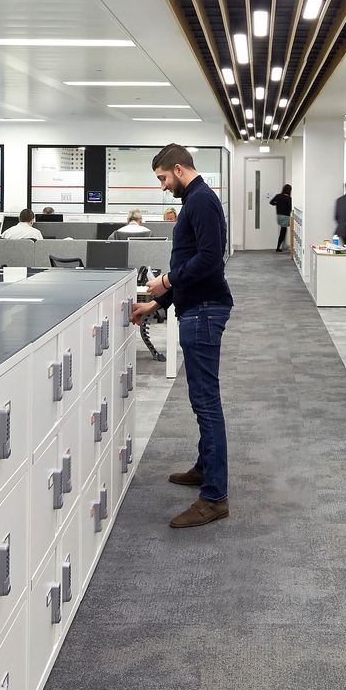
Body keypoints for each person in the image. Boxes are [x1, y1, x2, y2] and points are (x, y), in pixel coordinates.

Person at [131, 144, 234, 528]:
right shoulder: (194, 201)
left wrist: (165, 281)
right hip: (196, 308)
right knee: (200, 398)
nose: (161, 187)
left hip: (205, 311)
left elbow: (209, 259)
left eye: (162, 178)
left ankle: (215, 499)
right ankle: (206, 468)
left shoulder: (202, 201)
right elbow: (189, 263)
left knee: (206, 402)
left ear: (178, 168)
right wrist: (156, 304)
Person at [269, 183, 293, 252]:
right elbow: (290, 208)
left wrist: (278, 204)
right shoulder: (289, 198)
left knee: (283, 231)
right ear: (289, 191)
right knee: (285, 231)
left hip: (279, 217)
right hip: (286, 217)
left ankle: (279, 247)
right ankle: (280, 247)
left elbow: (271, 202)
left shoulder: (278, 196)